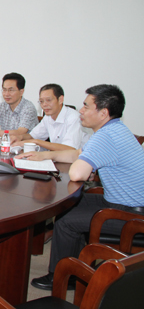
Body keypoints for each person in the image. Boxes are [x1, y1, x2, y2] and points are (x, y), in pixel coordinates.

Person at [16, 84, 144, 290]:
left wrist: (85, 166)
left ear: (103, 113)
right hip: (122, 202)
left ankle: (64, 277)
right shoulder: (115, 129)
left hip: (132, 215)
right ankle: (77, 268)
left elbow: (77, 173)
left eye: (86, 106)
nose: (81, 111)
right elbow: (77, 154)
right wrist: (44, 155)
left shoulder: (106, 136)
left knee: (67, 220)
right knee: (67, 207)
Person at [11, 83, 89, 151]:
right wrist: (19, 137)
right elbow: (33, 136)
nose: (44, 105)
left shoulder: (74, 118)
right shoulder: (48, 117)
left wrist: (37, 142)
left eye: (48, 100)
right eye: (41, 101)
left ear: (60, 99)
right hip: (57, 158)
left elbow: (70, 149)